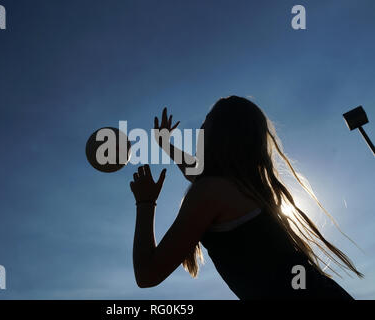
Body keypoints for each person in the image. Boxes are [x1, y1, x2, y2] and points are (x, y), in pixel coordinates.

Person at [129, 96, 363, 300]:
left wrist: (145, 202)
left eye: (206, 123)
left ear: (217, 135)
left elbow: (148, 274)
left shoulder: (211, 191)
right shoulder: (245, 188)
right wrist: (166, 145)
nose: (200, 129)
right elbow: (196, 172)